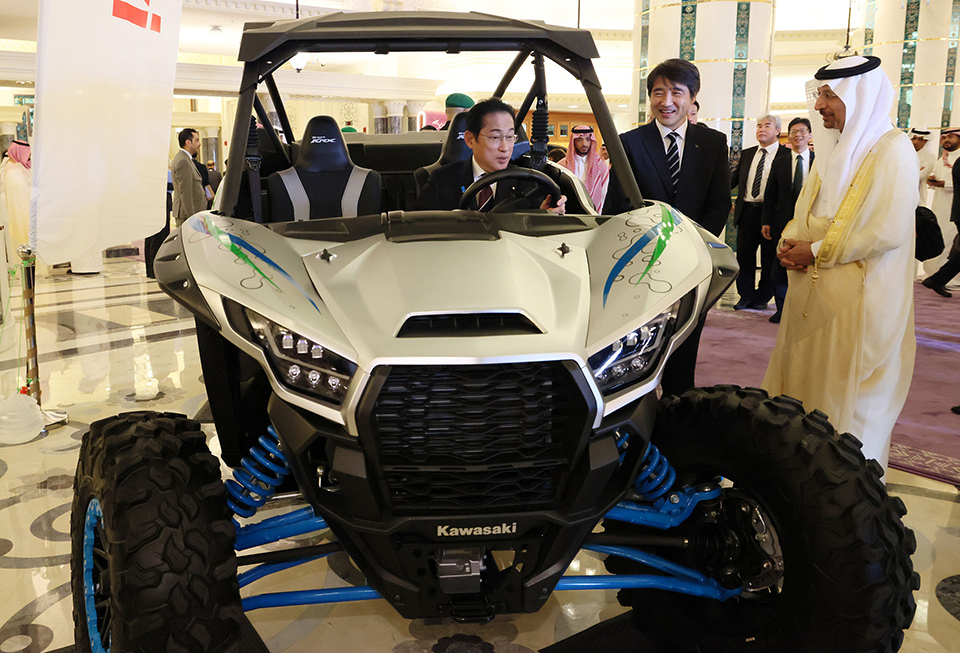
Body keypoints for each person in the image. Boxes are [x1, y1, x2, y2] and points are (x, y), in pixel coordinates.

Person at [763, 54, 917, 476]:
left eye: (829, 96)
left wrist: (812, 251)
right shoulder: (831, 147)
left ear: (860, 96)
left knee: (849, 404)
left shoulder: (894, 150)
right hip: (811, 296)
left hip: (861, 306)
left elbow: (886, 230)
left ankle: (843, 497)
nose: (820, 106)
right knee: (804, 392)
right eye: (821, 94)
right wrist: (789, 241)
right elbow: (804, 208)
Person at [605, 58, 731, 395]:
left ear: (692, 98)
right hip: (641, 264)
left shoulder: (714, 144)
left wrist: (691, 247)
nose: (667, 101)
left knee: (684, 351)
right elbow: (617, 207)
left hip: (693, 263)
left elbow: (719, 204)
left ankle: (678, 414)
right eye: (658, 93)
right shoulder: (629, 143)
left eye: (676, 92)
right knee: (637, 349)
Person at [416, 98, 565, 214]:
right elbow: (422, 230)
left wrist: (545, 215)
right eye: (495, 137)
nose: (505, 148)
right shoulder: (441, 180)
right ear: (470, 139)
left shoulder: (527, 182)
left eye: (509, 137)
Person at [731, 115, 791, 310]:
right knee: (744, 257)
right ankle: (745, 296)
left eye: (767, 125)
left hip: (772, 214)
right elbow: (733, 180)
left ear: (777, 131)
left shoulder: (785, 155)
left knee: (769, 258)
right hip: (747, 211)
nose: (761, 129)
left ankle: (763, 297)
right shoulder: (748, 154)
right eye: (758, 126)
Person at [761, 117, 814, 323]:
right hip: (781, 222)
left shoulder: (820, 161)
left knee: (804, 266)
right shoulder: (780, 162)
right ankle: (782, 309)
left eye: (802, 131)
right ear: (788, 135)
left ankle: (804, 309)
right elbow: (770, 194)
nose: (798, 135)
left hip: (810, 223)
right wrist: (766, 221)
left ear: (809, 135)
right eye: (793, 132)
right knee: (780, 266)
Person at [924, 127, 960, 286]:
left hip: (952, 205)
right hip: (944, 206)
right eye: (944, 137)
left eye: (950, 137)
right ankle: (937, 276)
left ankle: (941, 278)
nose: (946, 140)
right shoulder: (942, 159)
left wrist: (943, 183)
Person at [558, 125, 609, 212]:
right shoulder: (562, 165)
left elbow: (603, 196)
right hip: (568, 213)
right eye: (580, 139)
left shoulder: (601, 167)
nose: (584, 144)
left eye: (588, 139)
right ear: (573, 141)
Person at [0, 140, 31, 264]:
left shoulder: (19, 166)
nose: (28, 156)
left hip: (25, 210)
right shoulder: (12, 170)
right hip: (20, 214)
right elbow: (21, 193)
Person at [171, 128, 206, 227]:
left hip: (191, 214)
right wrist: (192, 217)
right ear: (188, 142)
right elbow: (185, 192)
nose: (199, 144)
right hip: (188, 216)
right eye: (197, 140)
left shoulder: (186, 159)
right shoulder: (183, 161)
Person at [910, 128, 936, 199]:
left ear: (925, 141)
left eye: (920, 139)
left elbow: (920, 177)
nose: (915, 142)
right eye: (914, 138)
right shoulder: (903, 154)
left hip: (919, 195)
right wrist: (917, 171)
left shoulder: (930, 157)